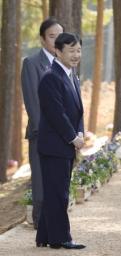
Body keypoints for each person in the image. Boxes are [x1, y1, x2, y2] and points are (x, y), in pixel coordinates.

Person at [36, 32, 85, 250]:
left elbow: (77, 110)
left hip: (64, 145)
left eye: (79, 50)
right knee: (58, 193)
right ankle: (60, 238)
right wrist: (73, 137)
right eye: (71, 50)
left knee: (55, 191)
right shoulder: (50, 77)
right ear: (57, 51)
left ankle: (45, 235)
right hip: (55, 146)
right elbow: (56, 113)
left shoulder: (71, 75)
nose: (76, 55)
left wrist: (80, 133)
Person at [21, 18, 63, 229]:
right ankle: (41, 223)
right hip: (42, 134)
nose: (57, 41)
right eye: (52, 37)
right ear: (42, 39)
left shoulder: (64, 64)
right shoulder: (32, 63)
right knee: (41, 182)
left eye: (60, 37)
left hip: (62, 135)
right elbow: (32, 102)